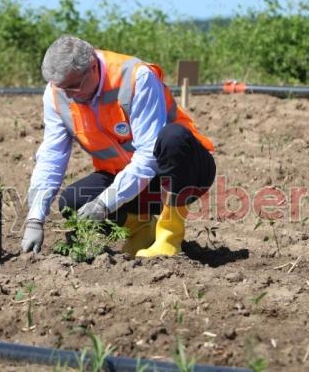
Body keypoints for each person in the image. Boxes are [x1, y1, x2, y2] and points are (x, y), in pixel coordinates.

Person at [20, 35, 216, 257]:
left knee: (173, 137)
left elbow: (148, 156)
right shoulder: (57, 94)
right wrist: (34, 219)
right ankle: (141, 229)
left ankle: (168, 237)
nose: (69, 95)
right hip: (131, 181)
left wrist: (105, 204)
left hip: (183, 173)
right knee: (73, 202)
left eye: (74, 87)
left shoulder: (137, 77)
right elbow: (51, 157)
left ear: (93, 66)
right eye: (62, 88)